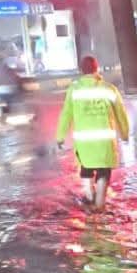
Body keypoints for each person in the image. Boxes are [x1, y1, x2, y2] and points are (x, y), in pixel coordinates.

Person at [56, 54, 130, 211]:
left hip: (84, 144)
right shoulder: (109, 89)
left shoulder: (74, 90)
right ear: (97, 68)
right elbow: (121, 114)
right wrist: (124, 134)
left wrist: (60, 137)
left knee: (86, 169)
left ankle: (89, 197)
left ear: (81, 70)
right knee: (103, 171)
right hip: (104, 142)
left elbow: (66, 114)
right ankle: (100, 203)